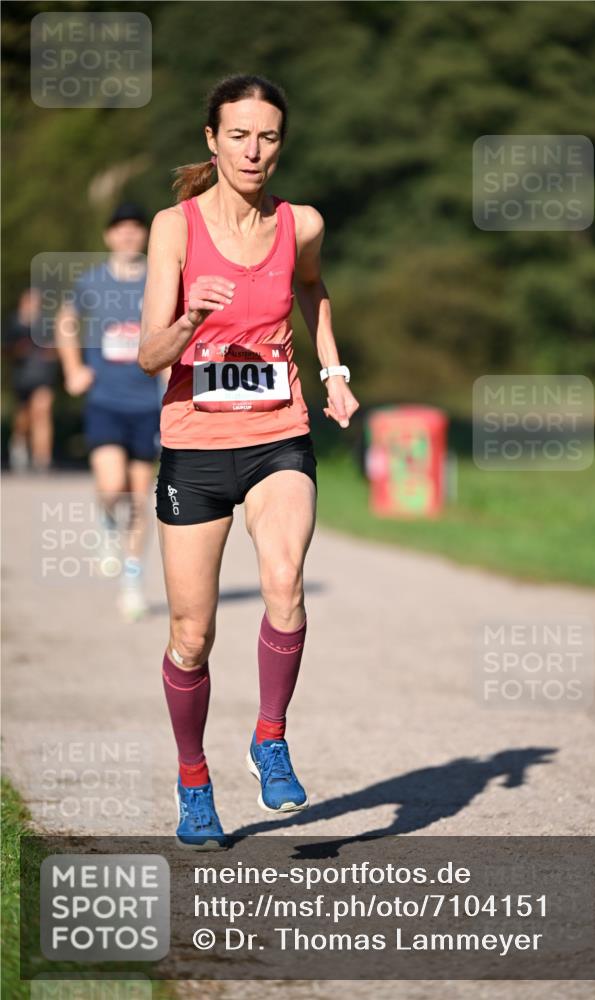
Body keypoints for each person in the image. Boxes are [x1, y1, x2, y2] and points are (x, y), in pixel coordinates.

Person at [139, 74, 359, 849]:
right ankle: (193, 779)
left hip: (277, 436)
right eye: (238, 134)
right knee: (191, 637)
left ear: (280, 142)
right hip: (194, 449)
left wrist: (332, 373)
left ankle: (270, 737)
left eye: (266, 135)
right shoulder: (174, 228)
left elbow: (314, 290)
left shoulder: (300, 224)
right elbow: (147, 355)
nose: (253, 150)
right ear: (212, 140)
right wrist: (191, 316)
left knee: (283, 584)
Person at [56, 203, 165, 622]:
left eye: (136, 229)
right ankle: (105, 527)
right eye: (120, 229)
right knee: (111, 484)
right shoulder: (91, 282)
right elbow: (66, 322)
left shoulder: (159, 281)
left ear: (144, 236)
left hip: (147, 405)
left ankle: (133, 585)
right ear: (109, 236)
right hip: (104, 400)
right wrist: (72, 369)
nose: (128, 236)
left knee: (139, 500)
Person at [5, 288, 58, 472]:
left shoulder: (47, 323)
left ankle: (42, 458)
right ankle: (19, 442)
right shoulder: (14, 323)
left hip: (43, 375)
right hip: (22, 376)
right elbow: (6, 348)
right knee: (24, 417)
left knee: (42, 412)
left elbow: (57, 347)